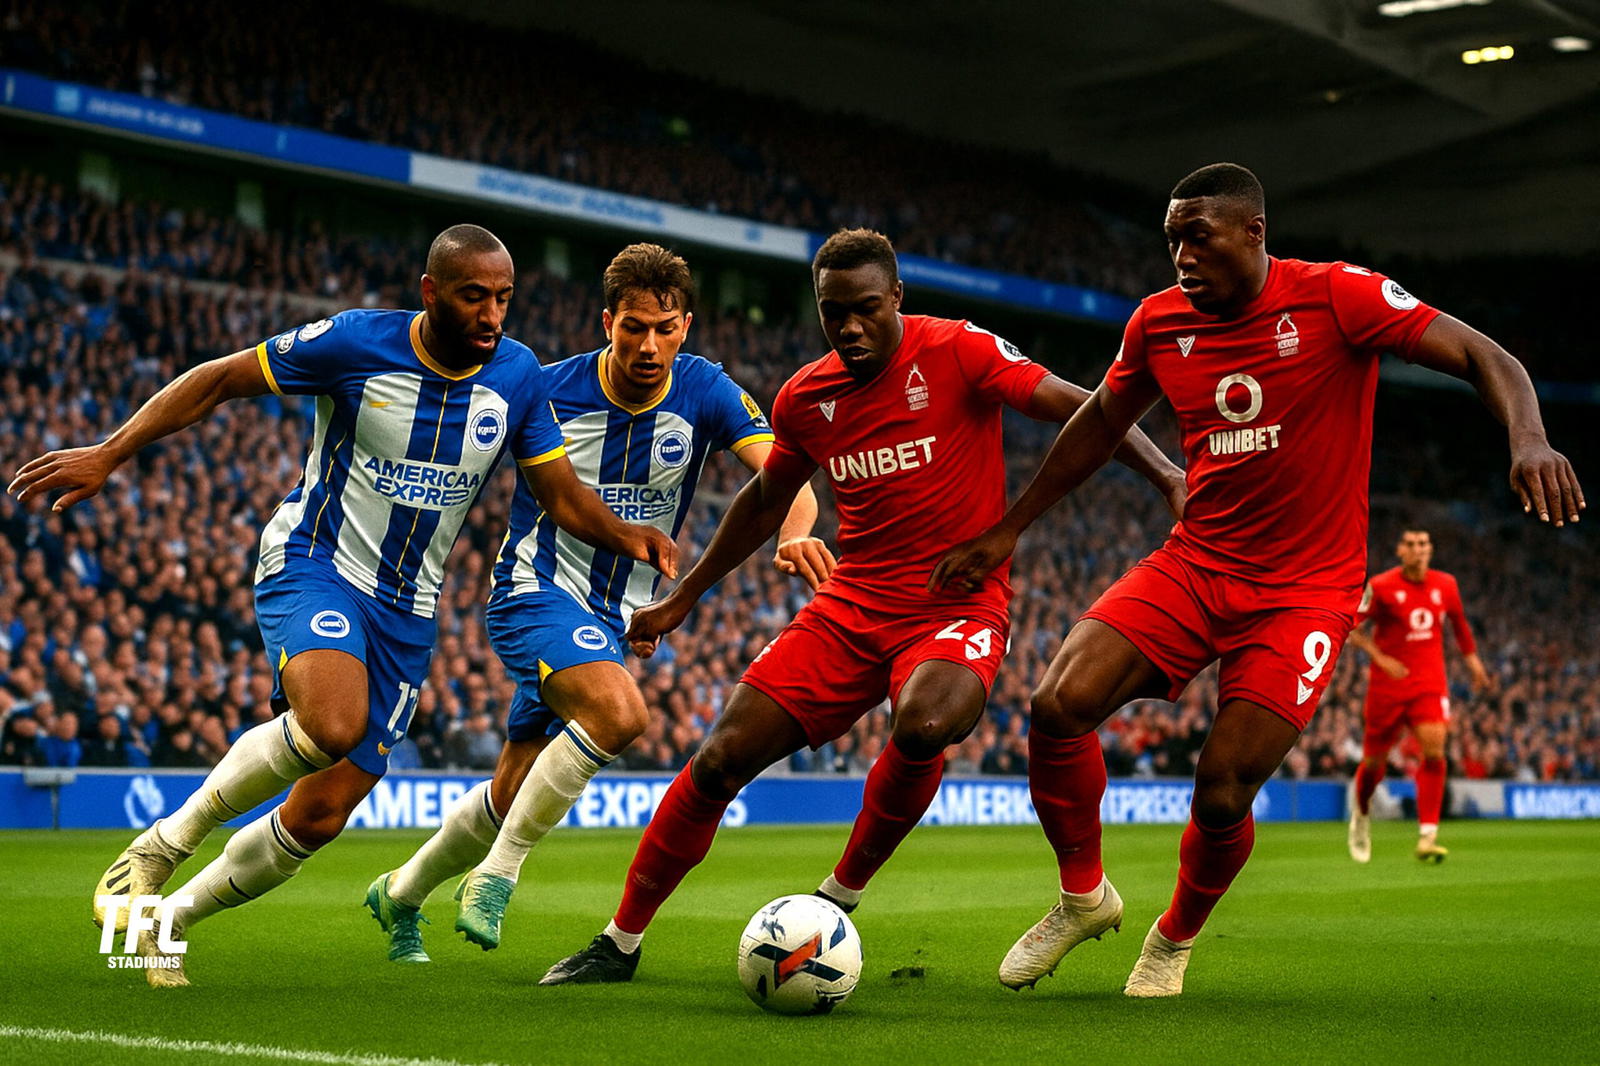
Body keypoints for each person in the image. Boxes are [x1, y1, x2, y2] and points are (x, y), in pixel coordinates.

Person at [931, 162, 1583, 998]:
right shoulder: (1159, 324)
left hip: (1305, 592)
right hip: (1198, 562)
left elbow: (1482, 353)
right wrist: (1008, 529)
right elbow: (1097, 425)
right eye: (1171, 241)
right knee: (1058, 703)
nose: (1181, 258)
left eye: (1197, 237)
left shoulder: (1338, 297)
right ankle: (1083, 897)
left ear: (1253, 232)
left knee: (1223, 783)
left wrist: (1527, 437)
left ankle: (1173, 937)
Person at [8, 224, 677, 987]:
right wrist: (109, 452)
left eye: (503, 298)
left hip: (409, 610)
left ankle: (169, 920)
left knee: (320, 815)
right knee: (331, 722)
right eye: (473, 297)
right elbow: (220, 378)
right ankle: (160, 847)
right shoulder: (355, 344)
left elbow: (560, 494)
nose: (492, 315)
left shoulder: (518, 375)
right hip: (316, 564)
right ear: (431, 294)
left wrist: (628, 536)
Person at [539, 227, 1186, 985]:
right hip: (850, 604)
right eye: (832, 311)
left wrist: (1169, 476)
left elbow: (1088, 405)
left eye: (866, 309)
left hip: (956, 603)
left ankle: (836, 898)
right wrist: (685, 596)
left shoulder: (957, 351)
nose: (849, 326)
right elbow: (763, 498)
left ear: (897, 300)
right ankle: (618, 943)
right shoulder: (807, 397)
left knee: (926, 722)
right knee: (718, 760)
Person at [363, 243, 832, 962]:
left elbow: (787, 479)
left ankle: (399, 893)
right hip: (533, 591)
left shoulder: (705, 390)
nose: (650, 345)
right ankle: (497, 877)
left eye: (665, 329)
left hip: (614, 621)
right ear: (606, 320)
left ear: (686, 326)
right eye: (634, 327)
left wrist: (795, 534)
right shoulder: (544, 388)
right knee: (620, 716)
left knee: (507, 794)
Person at [1345, 528, 1490, 863]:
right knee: (1373, 764)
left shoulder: (1446, 585)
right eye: (1410, 544)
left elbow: (1460, 626)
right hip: (1387, 686)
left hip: (1429, 683)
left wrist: (1474, 663)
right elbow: (1353, 626)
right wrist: (1380, 657)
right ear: (1400, 550)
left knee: (1435, 750)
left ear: (1431, 549)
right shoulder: (1380, 586)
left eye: (1423, 544)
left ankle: (1428, 834)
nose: (1418, 550)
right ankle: (1361, 815)